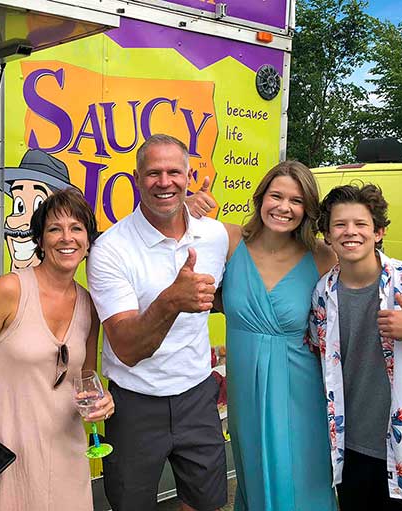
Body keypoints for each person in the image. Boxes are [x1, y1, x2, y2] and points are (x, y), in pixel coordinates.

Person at [0, 188, 114, 510]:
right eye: (54, 229)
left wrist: (102, 401)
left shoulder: (90, 304)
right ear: (40, 240)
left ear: (88, 241)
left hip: (66, 448)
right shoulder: (10, 290)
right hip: (9, 446)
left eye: (76, 228)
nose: (66, 238)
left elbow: (85, 377)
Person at [86, 134, 229, 511]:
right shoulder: (110, 250)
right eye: (153, 173)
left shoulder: (214, 235)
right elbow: (128, 349)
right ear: (136, 179)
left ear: (188, 176)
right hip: (135, 402)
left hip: (197, 395)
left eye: (173, 172)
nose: (164, 182)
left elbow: (268, 247)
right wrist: (171, 300)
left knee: (206, 503)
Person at [190, 161, 338, 510]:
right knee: (254, 476)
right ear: (261, 198)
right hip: (247, 391)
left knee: (303, 481)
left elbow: (364, 286)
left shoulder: (321, 256)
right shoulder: (228, 240)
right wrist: (187, 213)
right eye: (277, 196)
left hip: (302, 391)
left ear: (307, 209)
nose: (284, 207)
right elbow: (170, 249)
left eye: (296, 200)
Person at [309, 184, 402, 510]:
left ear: (378, 232)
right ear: (327, 235)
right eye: (339, 224)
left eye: (361, 224)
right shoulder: (322, 294)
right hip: (350, 450)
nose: (350, 232)